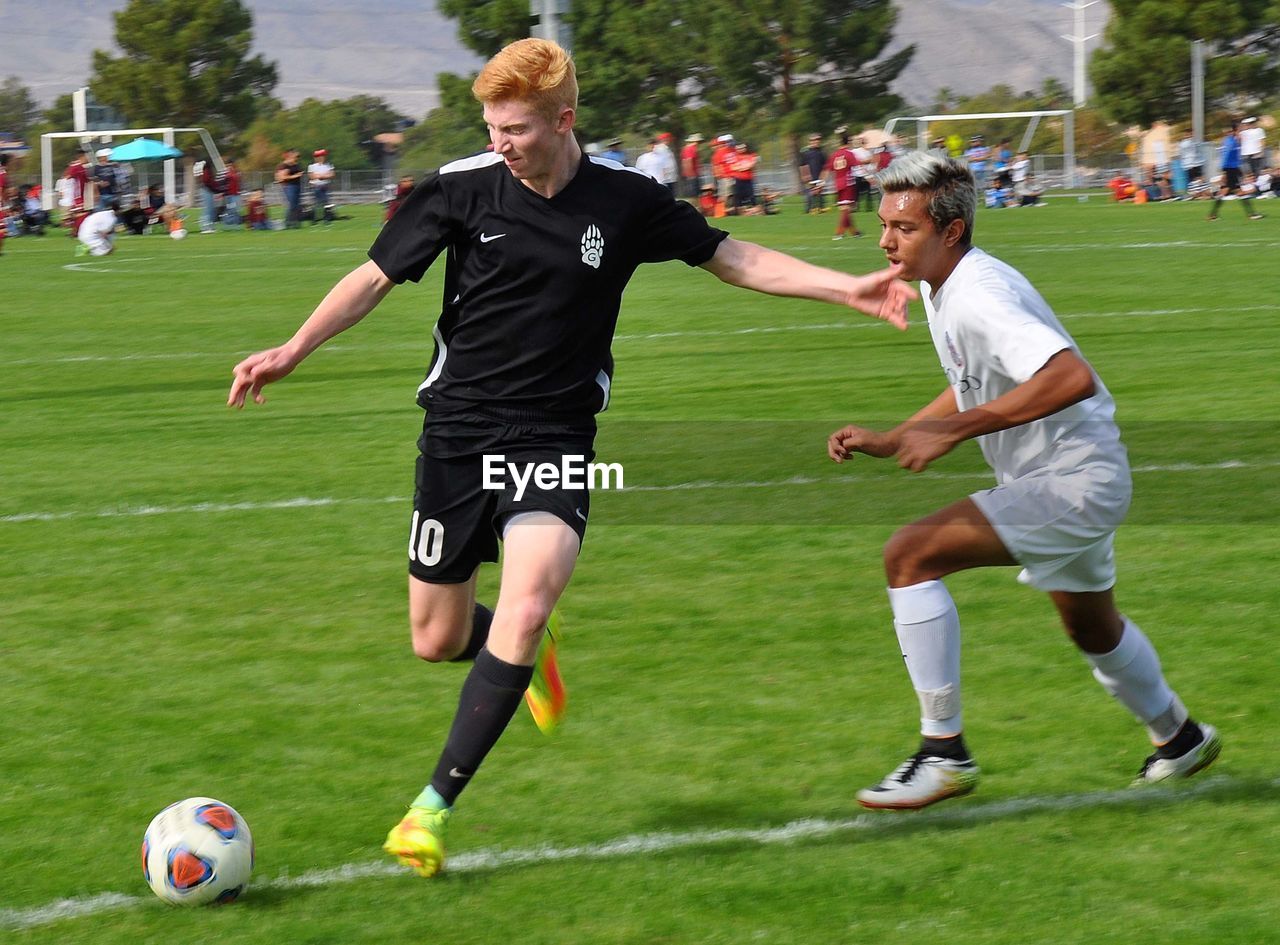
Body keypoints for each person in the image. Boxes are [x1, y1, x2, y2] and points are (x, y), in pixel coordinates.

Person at [227, 37, 914, 879]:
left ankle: (429, 809)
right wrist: (294, 348)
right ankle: (527, 656)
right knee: (437, 638)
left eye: (514, 127)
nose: (501, 141)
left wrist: (846, 285)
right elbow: (372, 276)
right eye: (491, 125)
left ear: (563, 119)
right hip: (455, 434)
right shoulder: (458, 189)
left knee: (522, 602)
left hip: (553, 438)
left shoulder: (624, 201)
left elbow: (733, 258)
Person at [825, 152, 1220, 811]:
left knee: (909, 553)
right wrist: (899, 434)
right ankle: (1179, 737)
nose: (886, 238)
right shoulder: (940, 283)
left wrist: (956, 432)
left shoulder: (978, 291)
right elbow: (976, 379)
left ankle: (943, 751)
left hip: (1073, 481)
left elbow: (1070, 376)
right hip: (1074, 477)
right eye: (885, 222)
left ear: (951, 232)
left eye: (905, 227)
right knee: (1093, 627)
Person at [1206, 121, 1263, 222]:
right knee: (1239, 192)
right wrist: (1224, 171)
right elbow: (1226, 156)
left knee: (1226, 192)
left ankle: (1212, 215)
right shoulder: (1230, 142)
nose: (1242, 129)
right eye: (1240, 128)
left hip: (1233, 169)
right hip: (1230, 169)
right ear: (1235, 130)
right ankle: (1251, 214)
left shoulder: (1234, 140)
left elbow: (1235, 156)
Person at [820, 130, 862, 239]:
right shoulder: (849, 154)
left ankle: (855, 232)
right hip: (848, 183)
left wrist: (821, 182)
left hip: (838, 183)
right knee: (846, 209)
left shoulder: (834, 154)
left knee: (844, 209)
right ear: (849, 142)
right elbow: (858, 166)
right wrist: (869, 177)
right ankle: (839, 233)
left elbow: (826, 170)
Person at [798, 133, 827, 214]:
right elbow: (802, 165)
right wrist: (804, 176)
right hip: (809, 178)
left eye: (817, 140)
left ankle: (820, 209)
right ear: (810, 142)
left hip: (819, 178)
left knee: (820, 196)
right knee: (809, 196)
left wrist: (823, 179)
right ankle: (808, 210)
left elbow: (825, 167)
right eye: (814, 140)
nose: (816, 142)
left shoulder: (821, 153)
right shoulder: (805, 153)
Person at [275, 147, 304, 228]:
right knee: (291, 205)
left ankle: (296, 223)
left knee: (296, 205)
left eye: (298, 156)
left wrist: (299, 175)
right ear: (290, 155)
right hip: (289, 186)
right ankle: (288, 222)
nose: (297, 157)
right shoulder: (284, 165)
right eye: (296, 156)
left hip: (297, 186)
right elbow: (282, 177)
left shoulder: (296, 164)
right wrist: (295, 176)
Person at [308, 148, 334, 224]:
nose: (322, 158)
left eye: (323, 156)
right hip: (316, 186)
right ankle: (314, 219)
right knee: (316, 203)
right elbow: (312, 176)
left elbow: (331, 174)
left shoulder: (328, 165)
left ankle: (327, 218)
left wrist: (323, 177)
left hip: (325, 185)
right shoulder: (312, 166)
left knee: (326, 202)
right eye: (320, 156)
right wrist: (321, 176)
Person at [680, 133, 703, 198]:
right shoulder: (691, 149)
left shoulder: (687, 148)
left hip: (692, 173)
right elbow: (688, 161)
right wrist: (691, 173)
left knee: (695, 192)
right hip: (692, 174)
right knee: (694, 193)